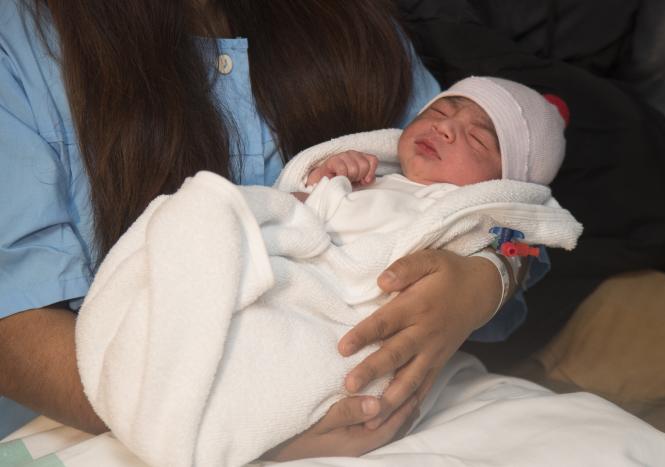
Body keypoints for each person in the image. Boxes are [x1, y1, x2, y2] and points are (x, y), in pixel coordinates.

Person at [0, 0, 540, 459]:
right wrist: (250, 429)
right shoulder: (21, 44)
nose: (449, 126)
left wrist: (485, 281)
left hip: (370, 398)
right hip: (126, 421)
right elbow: (12, 326)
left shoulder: (361, 33)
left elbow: (502, 202)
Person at [71, 76, 580, 466]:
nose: (446, 126)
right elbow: (302, 213)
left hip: (351, 315)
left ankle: (213, 420)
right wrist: (326, 180)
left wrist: (486, 279)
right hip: (296, 272)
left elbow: (529, 249)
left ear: (505, 185)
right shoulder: (373, 174)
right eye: (441, 110)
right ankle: (183, 394)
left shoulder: (477, 216)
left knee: (285, 353)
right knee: (194, 214)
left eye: (479, 138)